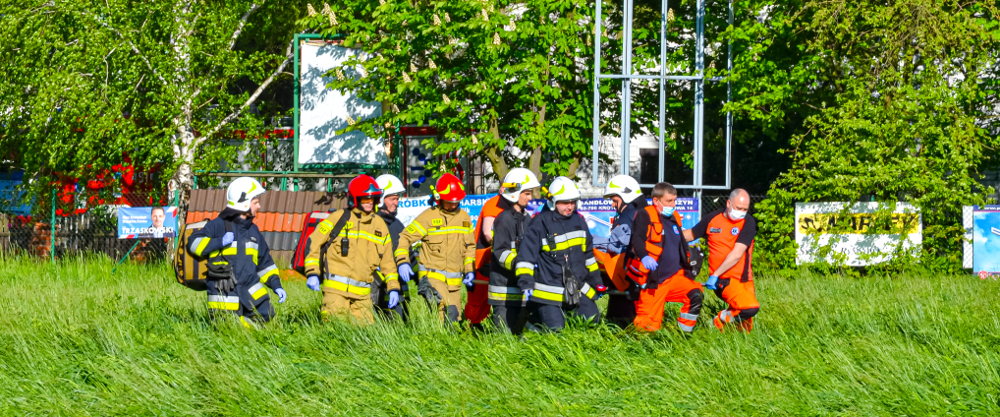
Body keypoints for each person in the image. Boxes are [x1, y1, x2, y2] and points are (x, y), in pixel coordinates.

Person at [187, 177, 287, 327]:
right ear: (244, 204)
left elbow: (265, 263)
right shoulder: (218, 225)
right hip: (224, 291)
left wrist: (276, 285)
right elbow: (193, 243)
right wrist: (218, 242)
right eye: (255, 202)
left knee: (266, 313)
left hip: (249, 289)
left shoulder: (253, 231)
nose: (259, 206)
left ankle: (245, 335)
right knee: (227, 328)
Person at [303, 175, 400, 324]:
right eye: (364, 198)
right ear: (355, 199)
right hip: (335, 291)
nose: (369, 202)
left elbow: (388, 261)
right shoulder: (338, 218)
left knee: (364, 338)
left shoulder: (380, 226)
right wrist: (312, 272)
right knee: (334, 332)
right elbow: (314, 243)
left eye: (372, 198)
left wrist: (393, 287)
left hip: (363, 296)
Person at [515, 176, 603, 331]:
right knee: (556, 330)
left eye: (572, 202)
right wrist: (526, 281)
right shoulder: (539, 223)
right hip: (548, 290)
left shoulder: (579, 222)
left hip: (577, 288)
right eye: (565, 202)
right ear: (553, 202)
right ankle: (533, 324)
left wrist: (597, 282)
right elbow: (526, 257)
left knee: (592, 321)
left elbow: (588, 256)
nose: (570, 206)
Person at [394, 173, 475, 323]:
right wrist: (403, 261)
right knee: (444, 310)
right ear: (439, 198)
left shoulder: (464, 218)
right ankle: (436, 343)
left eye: (457, 201)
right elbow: (404, 238)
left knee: (455, 318)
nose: (454, 205)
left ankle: (447, 345)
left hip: (454, 282)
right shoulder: (428, 217)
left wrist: (469, 270)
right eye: (450, 201)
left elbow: (470, 247)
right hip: (432, 277)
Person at [627, 182, 703, 333]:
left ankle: (683, 336)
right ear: (656, 200)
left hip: (674, 278)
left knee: (695, 294)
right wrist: (644, 257)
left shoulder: (674, 217)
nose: (673, 205)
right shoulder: (645, 214)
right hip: (654, 282)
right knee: (647, 328)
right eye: (669, 201)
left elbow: (680, 241)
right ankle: (639, 351)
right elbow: (637, 239)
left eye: (675, 200)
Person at [683, 188, 759, 332]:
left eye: (745, 209)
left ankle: (721, 334)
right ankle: (721, 318)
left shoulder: (748, 222)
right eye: (738, 208)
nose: (741, 212)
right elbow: (691, 234)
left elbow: (737, 253)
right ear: (728, 203)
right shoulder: (712, 219)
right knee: (750, 308)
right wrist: (667, 234)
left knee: (743, 327)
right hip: (724, 280)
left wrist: (714, 274)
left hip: (745, 280)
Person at [487, 168, 541, 333]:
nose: (530, 197)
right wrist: (521, 264)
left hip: (519, 289)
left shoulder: (528, 219)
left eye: (530, 193)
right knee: (503, 338)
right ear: (515, 192)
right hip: (503, 292)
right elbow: (501, 253)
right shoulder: (503, 220)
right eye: (526, 193)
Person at [593, 174, 646, 328]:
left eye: (615, 200)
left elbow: (616, 247)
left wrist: (593, 242)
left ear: (625, 196)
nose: (612, 205)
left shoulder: (628, 216)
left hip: (626, 275)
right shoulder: (644, 211)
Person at [463, 191, 505, 327]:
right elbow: (488, 233)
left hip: (495, 257)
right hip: (484, 259)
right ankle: (471, 327)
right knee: (479, 299)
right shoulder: (495, 203)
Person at [374, 174, 409, 321]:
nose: (396, 202)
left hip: (399, 290)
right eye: (392, 198)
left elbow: (409, 255)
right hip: (377, 289)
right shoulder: (371, 223)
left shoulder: (397, 224)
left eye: (397, 198)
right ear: (381, 199)